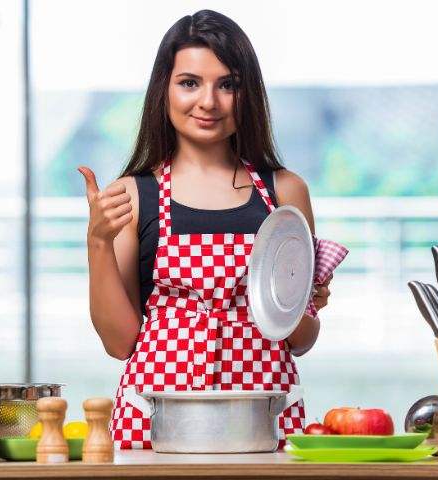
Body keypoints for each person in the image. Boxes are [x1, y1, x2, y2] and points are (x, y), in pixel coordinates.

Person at [78, 9, 345, 450]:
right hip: (155, 420)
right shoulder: (133, 194)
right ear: (163, 89)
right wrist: (98, 242)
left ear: (248, 95)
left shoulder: (285, 192)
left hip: (263, 415)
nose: (209, 102)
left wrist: (299, 298)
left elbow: (302, 339)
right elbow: (119, 341)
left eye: (228, 84)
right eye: (190, 83)